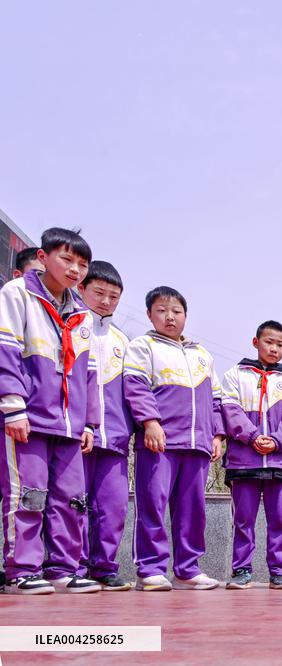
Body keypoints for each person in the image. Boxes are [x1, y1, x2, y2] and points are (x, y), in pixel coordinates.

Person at [0, 228, 101, 594]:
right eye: (67, 259)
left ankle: (64, 567)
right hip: (29, 416)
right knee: (28, 494)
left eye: (82, 264)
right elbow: (6, 351)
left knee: (72, 499)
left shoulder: (83, 315)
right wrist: (13, 406)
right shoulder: (18, 295)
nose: (75, 269)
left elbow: (89, 374)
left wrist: (89, 422)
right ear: (43, 258)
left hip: (70, 425)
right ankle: (23, 568)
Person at [124, 286, 224, 591]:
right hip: (160, 442)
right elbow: (135, 386)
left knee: (193, 511)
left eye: (176, 312)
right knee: (152, 504)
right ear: (149, 314)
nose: (170, 317)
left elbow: (216, 399)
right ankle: (151, 570)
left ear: (185, 315)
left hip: (197, 444)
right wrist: (150, 422)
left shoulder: (201, 354)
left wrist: (217, 434)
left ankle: (188, 569)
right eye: (162, 311)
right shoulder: (143, 346)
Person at [220, 321, 282, 590]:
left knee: (280, 520)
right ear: (256, 342)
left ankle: (279, 572)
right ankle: (241, 570)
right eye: (269, 342)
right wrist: (253, 437)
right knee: (243, 520)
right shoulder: (235, 374)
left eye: (279, 344)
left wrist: (276, 441)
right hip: (244, 462)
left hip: (279, 463)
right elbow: (230, 411)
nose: (274, 348)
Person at [77, 260, 133, 591]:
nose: (106, 302)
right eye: (99, 293)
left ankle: (104, 566)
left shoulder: (123, 341)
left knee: (112, 506)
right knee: (74, 504)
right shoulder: (69, 327)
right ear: (80, 289)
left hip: (115, 439)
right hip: (75, 435)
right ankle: (75, 565)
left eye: (114, 296)